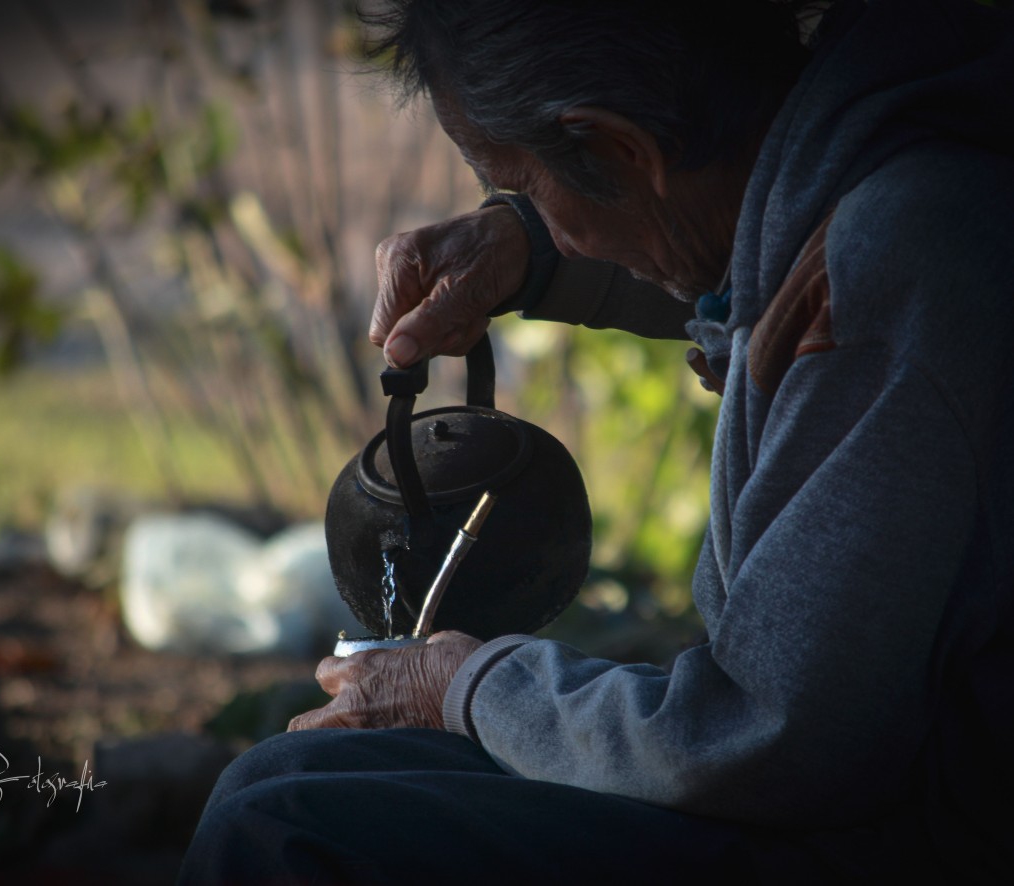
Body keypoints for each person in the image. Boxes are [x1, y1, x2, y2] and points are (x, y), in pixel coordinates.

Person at [178, 1, 1014, 881]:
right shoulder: (871, 152)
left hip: (914, 833)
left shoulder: (897, 261)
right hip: (863, 793)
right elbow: (755, 256)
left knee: (283, 828)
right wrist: (528, 246)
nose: (542, 220)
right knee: (284, 779)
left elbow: (769, 742)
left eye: (528, 185)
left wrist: (469, 686)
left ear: (620, 150)